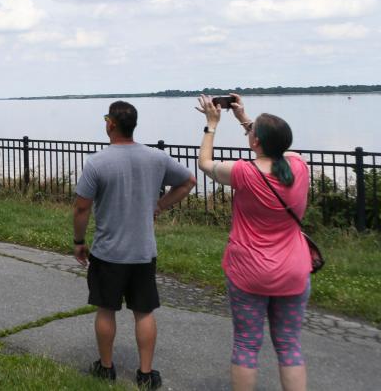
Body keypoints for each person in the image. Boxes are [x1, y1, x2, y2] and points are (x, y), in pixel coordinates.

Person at [73, 101, 196, 389]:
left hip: (108, 253)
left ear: (111, 124)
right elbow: (189, 181)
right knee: (144, 312)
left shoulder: (97, 162)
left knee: (106, 310)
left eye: (106, 119)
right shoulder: (155, 158)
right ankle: (145, 373)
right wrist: (159, 205)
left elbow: (81, 208)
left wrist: (79, 241)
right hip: (142, 252)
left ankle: (105, 368)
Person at [196, 94, 311, 391]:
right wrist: (246, 120)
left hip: (249, 272)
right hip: (294, 271)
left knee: (247, 345)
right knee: (289, 347)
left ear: (255, 142)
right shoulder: (299, 167)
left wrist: (212, 124)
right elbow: (282, 149)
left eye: (253, 133)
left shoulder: (243, 173)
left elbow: (205, 164)